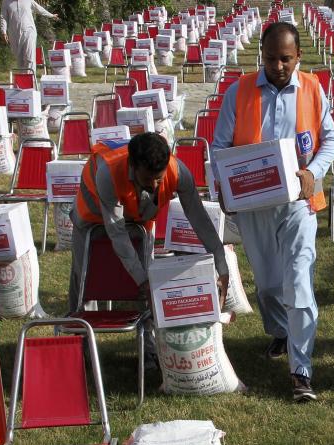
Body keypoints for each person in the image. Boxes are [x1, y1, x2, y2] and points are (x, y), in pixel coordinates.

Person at [211, 22, 334, 402]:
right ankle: (281, 331)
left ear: (298, 56)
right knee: (268, 287)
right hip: (255, 206)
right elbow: (219, 147)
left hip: (298, 204)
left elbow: (331, 139)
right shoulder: (239, 92)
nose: (278, 66)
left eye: (285, 58)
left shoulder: (314, 89)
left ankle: (302, 371)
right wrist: (227, 183)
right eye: (271, 59)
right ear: (261, 56)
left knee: (299, 282)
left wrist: (313, 173)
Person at [69, 132, 230, 363]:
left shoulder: (178, 171)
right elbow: (117, 233)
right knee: (84, 279)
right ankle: (78, 343)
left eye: (159, 179)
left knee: (148, 280)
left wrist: (220, 262)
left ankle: (149, 347)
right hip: (91, 218)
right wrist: (142, 279)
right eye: (148, 180)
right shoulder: (108, 173)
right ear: (132, 167)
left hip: (139, 218)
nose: (155, 186)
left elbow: (198, 216)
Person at [0, 0, 58, 71]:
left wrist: (51, 15)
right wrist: (3, 32)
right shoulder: (6, 1)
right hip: (14, 34)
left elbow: (39, 9)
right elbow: (3, 17)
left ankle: (31, 81)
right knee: (20, 59)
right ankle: (24, 82)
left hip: (29, 32)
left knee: (29, 57)